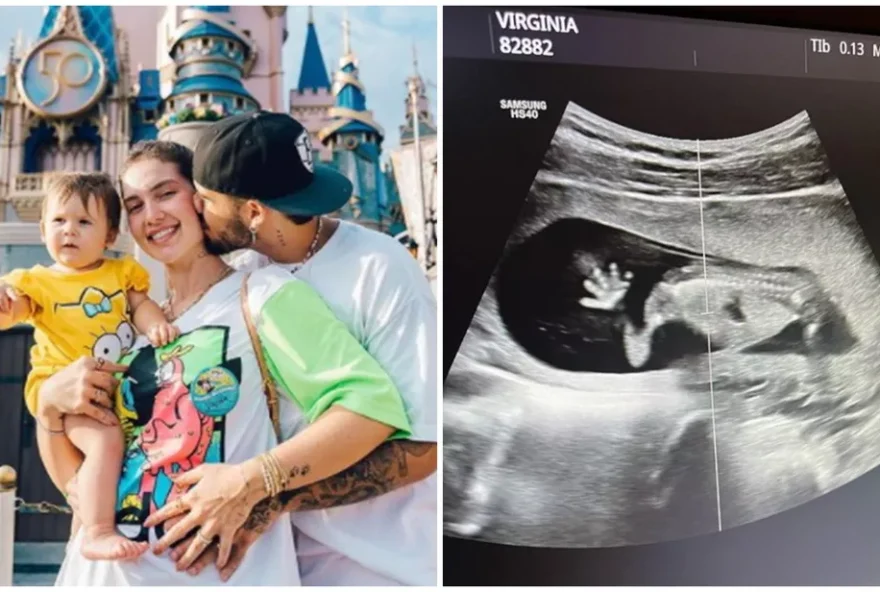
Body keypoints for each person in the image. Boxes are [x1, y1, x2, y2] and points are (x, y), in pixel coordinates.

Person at [32, 141, 413, 586]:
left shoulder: (262, 296)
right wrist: (47, 411)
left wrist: (253, 481)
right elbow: (78, 485)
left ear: (200, 199)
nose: (151, 214)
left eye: (165, 193)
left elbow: (371, 410)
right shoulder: (128, 330)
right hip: (94, 576)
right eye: (135, 204)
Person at [170, 111, 438, 585]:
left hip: (376, 567)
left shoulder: (379, 268)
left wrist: (259, 489)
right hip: (274, 564)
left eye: (206, 199)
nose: (194, 207)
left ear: (253, 212)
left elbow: (424, 448)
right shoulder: (246, 272)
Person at [0, 172, 178, 561]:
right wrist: (5, 301)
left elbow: (141, 306)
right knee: (104, 442)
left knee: (99, 468)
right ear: (43, 226)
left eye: (84, 222)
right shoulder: (37, 281)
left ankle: (82, 537)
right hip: (63, 390)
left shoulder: (120, 273)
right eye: (59, 221)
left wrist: (156, 326)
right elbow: (14, 309)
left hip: (108, 392)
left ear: (110, 236)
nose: (69, 231)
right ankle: (98, 531)